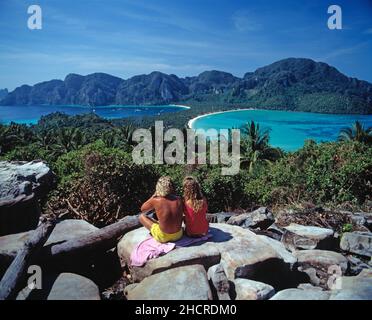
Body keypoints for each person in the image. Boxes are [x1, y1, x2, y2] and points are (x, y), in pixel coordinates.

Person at [139, 176, 183, 243]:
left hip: (163, 237)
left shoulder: (156, 200)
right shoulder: (178, 199)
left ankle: (157, 233)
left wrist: (153, 196)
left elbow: (143, 209)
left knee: (141, 216)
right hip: (178, 235)